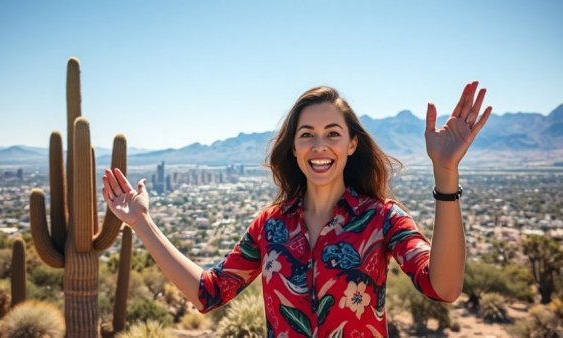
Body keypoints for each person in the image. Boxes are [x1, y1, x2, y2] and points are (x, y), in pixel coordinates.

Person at [102, 82, 491, 337]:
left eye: (333, 134)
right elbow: (209, 292)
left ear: (352, 144)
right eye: (307, 135)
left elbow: (444, 287)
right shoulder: (270, 226)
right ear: (293, 147)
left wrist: (446, 172)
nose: (319, 145)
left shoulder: (381, 218)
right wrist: (141, 222)